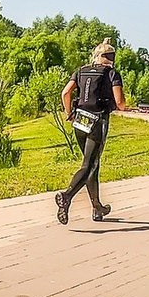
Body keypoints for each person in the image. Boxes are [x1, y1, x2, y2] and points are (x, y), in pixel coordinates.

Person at [55, 39, 126, 224]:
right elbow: (120, 102)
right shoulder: (111, 73)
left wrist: (68, 112)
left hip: (79, 121)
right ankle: (67, 196)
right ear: (110, 58)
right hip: (97, 120)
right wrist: (125, 106)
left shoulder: (81, 70)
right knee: (89, 165)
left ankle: (97, 208)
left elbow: (65, 93)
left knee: (92, 164)